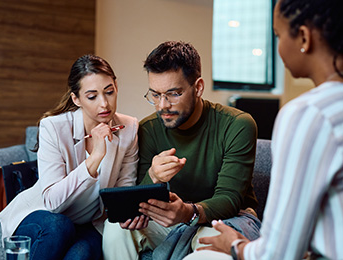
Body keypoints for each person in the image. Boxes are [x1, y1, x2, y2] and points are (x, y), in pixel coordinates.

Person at [184, 0, 343, 259]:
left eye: (278, 35)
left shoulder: (308, 114)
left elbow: (278, 253)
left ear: (303, 36)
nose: (278, 46)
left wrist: (235, 245)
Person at [102, 41, 261, 260]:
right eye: (155, 95)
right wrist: (153, 177)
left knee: (207, 253)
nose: (162, 106)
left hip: (226, 220)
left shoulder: (237, 124)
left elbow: (230, 198)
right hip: (171, 219)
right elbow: (141, 197)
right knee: (115, 230)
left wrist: (188, 212)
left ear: (198, 88)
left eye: (173, 94)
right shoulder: (148, 129)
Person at [0, 54, 139, 260]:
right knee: (59, 226)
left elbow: (123, 191)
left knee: (81, 254)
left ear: (116, 87)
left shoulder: (129, 128)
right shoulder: (53, 127)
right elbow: (53, 203)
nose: (104, 104)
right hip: (43, 215)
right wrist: (95, 158)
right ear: (76, 99)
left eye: (109, 92)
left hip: (87, 223)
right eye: (92, 96)